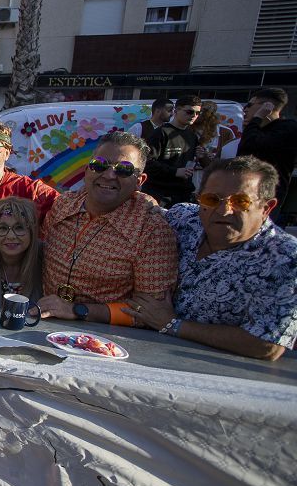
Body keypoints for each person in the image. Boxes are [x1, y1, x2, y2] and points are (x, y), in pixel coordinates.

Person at [126, 157, 296, 361]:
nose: (224, 210)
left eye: (240, 201)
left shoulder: (286, 259)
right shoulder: (183, 219)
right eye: (212, 200)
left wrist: (173, 324)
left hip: (213, 373)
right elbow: (138, 210)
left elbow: (267, 345)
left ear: (267, 207)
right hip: (135, 350)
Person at [38, 131, 178, 325]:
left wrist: (79, 311)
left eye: (124, 169)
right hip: (44, 320)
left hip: (105, 337)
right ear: (88, 170)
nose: (109, 175)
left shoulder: (151, 230)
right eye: (100, 165)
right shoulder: (63, 205)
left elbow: (153, 312)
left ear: (140, 181)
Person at [142, 94, 210, 207]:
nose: (194, 116)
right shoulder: (161, 132)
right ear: (177, 110)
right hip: (161, 196)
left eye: (198, 113)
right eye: (190, 112)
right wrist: (175, 171)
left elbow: (196, 164)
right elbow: (147, 162)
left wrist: (202, 157)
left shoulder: (192, 136)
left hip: (183, 195)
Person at [237, 88, 297, 212]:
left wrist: (257, 118)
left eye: (250, 105)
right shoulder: (260, 130)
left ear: (266, 106)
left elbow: (249, 145)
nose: (245, 109)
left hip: (265, 196)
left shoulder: (287, 128)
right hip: (245, 191)